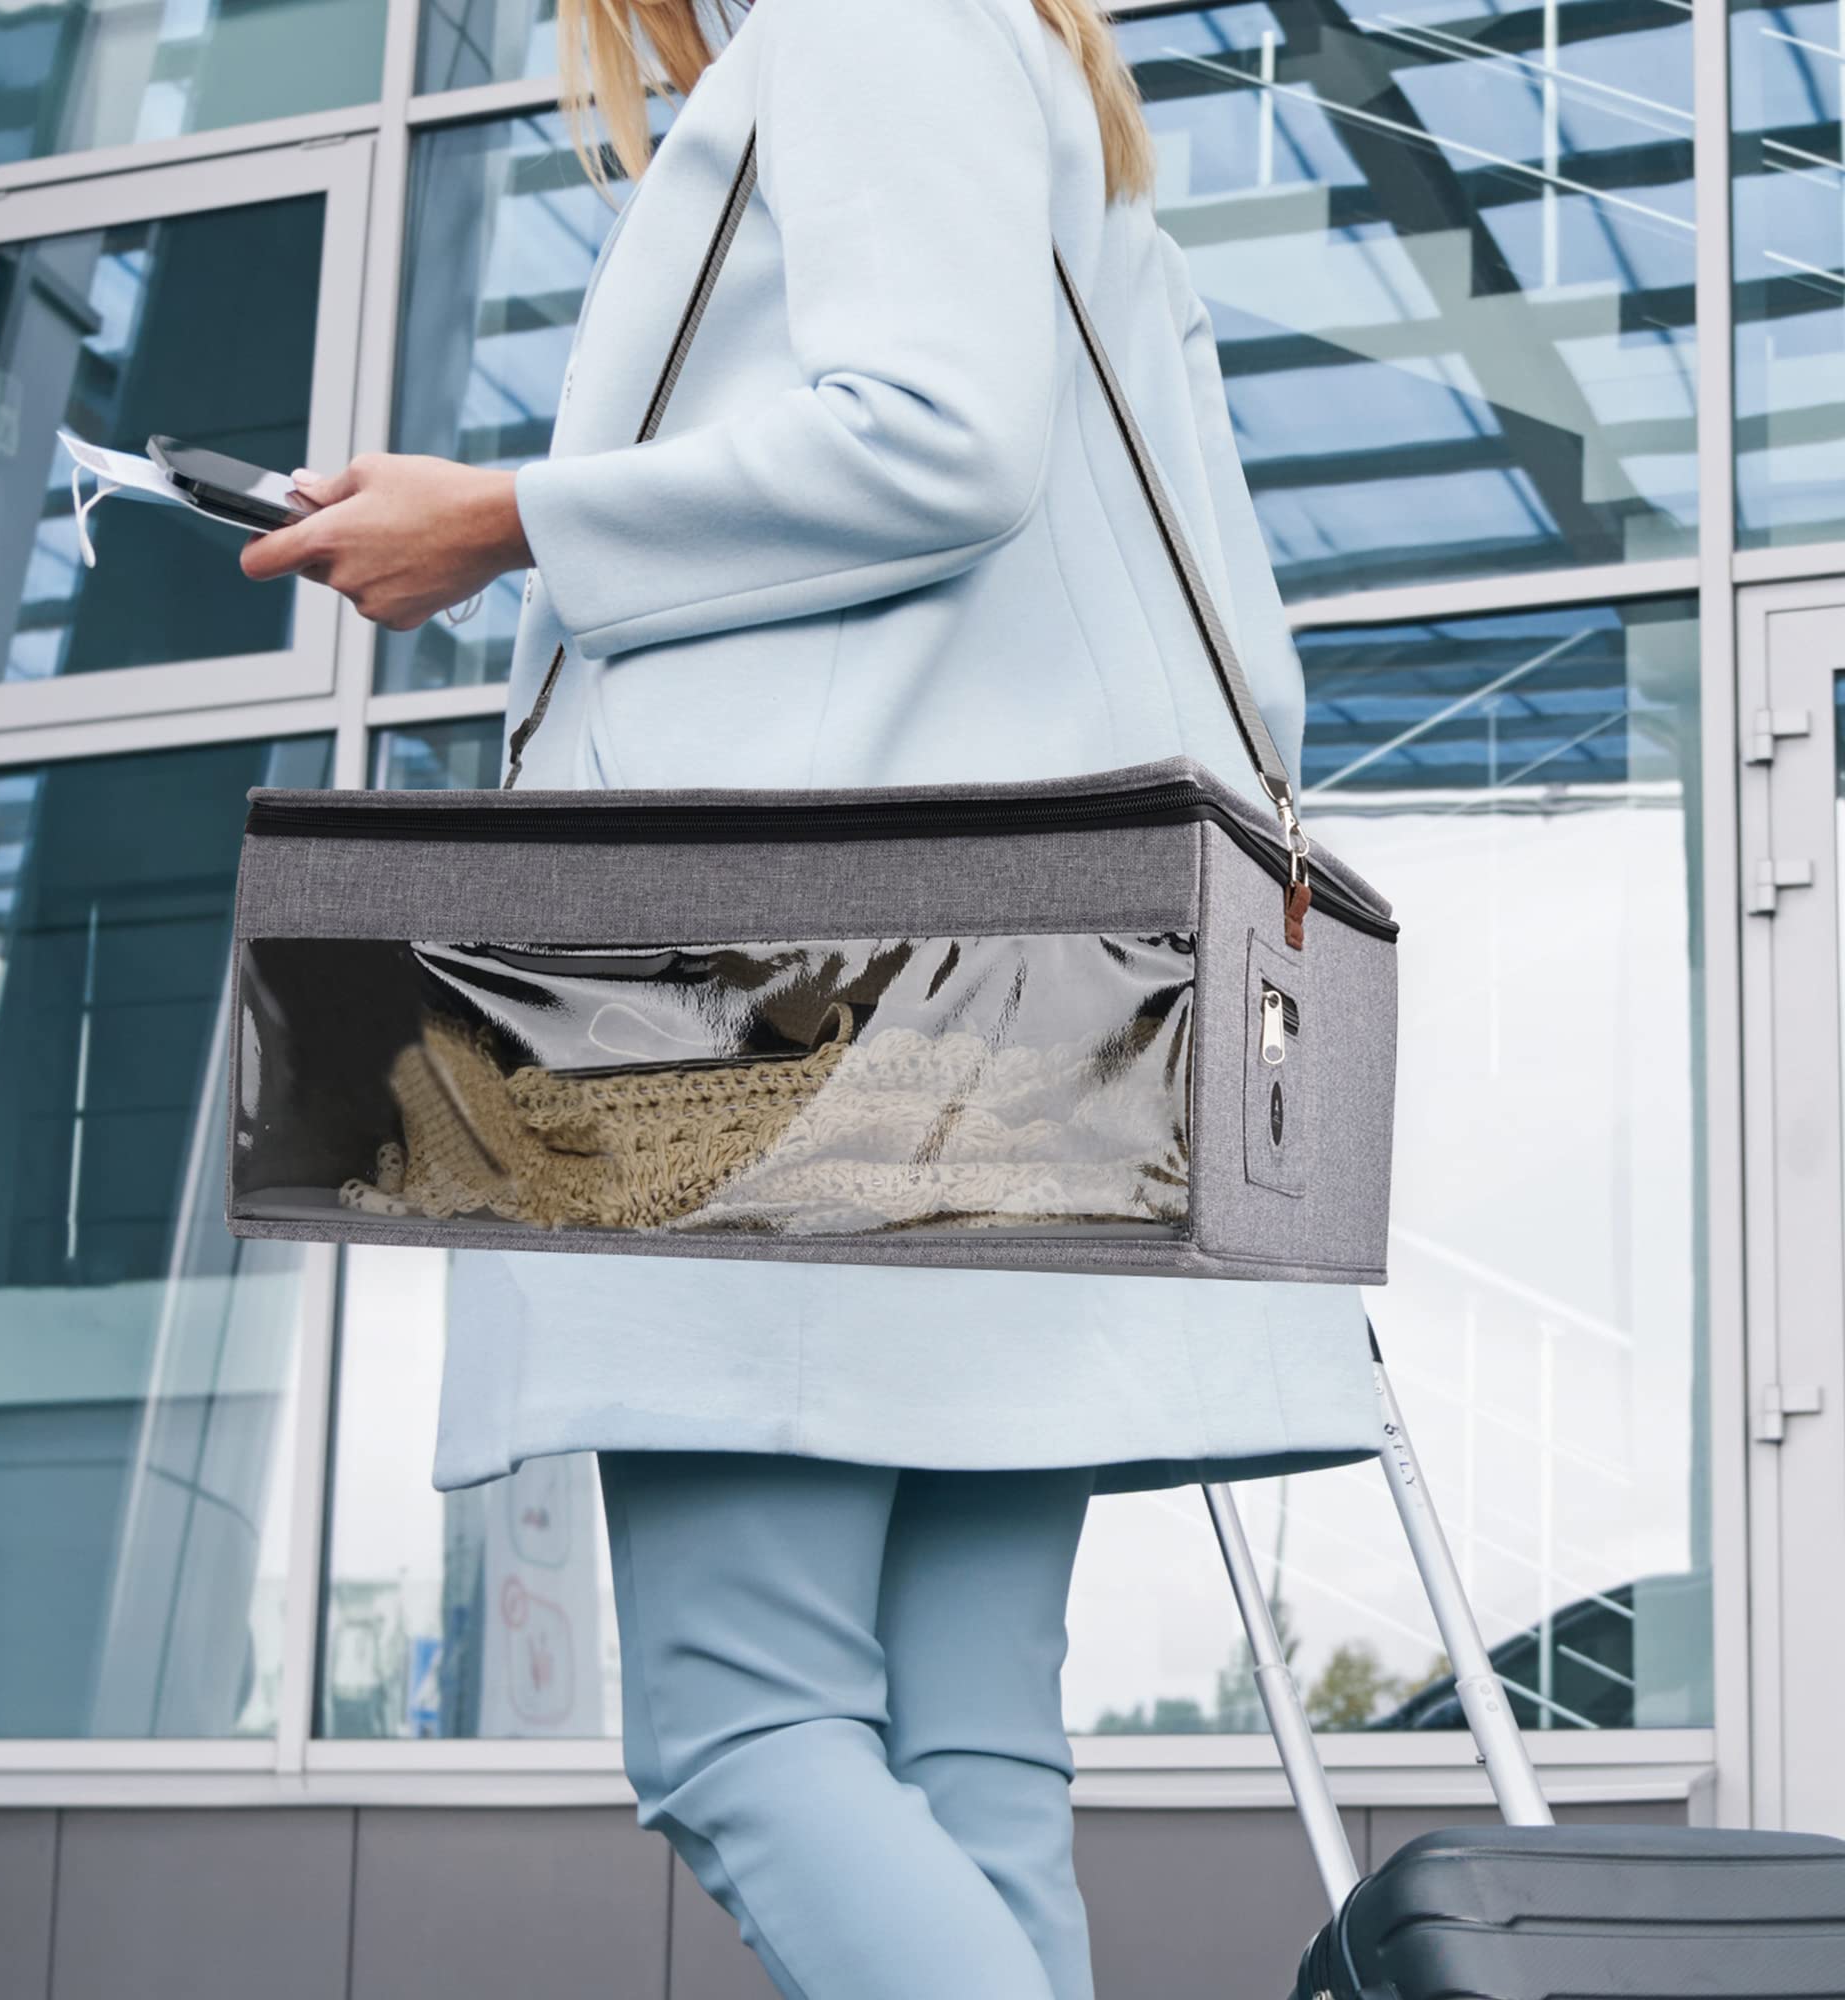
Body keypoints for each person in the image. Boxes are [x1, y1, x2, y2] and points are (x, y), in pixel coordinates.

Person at [241, 1, 1383, 1993]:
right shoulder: (1020, 66)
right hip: (1029, 991)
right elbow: (1242, 660)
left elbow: (937, 437)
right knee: (967, 1764)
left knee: (742, 1726)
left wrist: (509, 519)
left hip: (769, 997)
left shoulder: (869, 19)